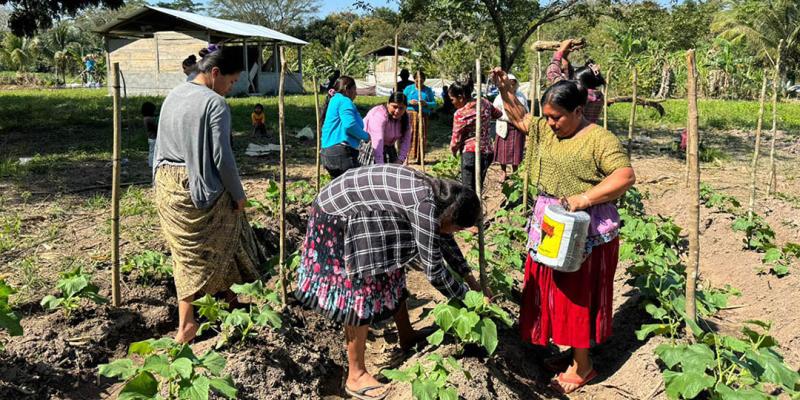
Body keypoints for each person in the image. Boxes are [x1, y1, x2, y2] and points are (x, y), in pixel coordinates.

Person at [492, 68, 636, 394]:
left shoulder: (599, 139)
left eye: (557, 117)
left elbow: (625, 176)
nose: (551, 123)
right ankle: (571, 353)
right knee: (551, 288)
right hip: (553, 222)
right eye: (547, 116)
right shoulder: (546, 130)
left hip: (585, 227)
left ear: (578, 111)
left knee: (575, 293)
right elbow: (521, 119)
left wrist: (584, 198)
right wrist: (504, 91)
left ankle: (583, 366)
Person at [294, 164, 489, 400]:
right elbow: (435, 271)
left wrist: (474, 284)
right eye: (459, 228)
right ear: (452, 217)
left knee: (392, 272)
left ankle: (406, 335)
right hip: (340, 215)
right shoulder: (424, 206)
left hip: (364, 211)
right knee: (360, 288)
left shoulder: (442, 199)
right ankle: (356, 376)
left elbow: (444, 239)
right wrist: (469, 300)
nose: (456, 233)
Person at [153, 44, 267, 344]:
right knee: (222, 241)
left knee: (187, 253)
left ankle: (227, 302)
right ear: (215, 73)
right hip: (197, 187)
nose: (230, 89)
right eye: (230, 82)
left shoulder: (174, 94)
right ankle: (187, 325)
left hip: (166, 186)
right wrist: (239, 195)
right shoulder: (215, 103)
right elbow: (222, 158)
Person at [448, 79, 502, 191]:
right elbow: (498, 114)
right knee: (478, 187)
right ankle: (478, 206)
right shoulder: (484, 102)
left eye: (452, 99)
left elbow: (456, 140)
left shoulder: (460, 114)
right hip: (487, 152)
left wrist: (453, 150)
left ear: (461, 97)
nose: (452, 103)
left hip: (471, 154)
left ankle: (471, 208)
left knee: (468, 190)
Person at [320, 76, 370, 178]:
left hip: (327, 153)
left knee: (338, 189)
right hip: (341, 153)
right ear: (347, 89)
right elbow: (350, 125)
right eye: (354, 90)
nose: (356, 93)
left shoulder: (334, 100)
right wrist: (366, 136)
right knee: (352, 188)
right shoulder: (344, 101)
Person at [492, 73, 529, 179]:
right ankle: (503, 172)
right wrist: (507, 117)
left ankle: (515, 172)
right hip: (504, 126)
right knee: (502, 152)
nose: (511, 86)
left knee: (516, 152)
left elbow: (526, 110)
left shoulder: (520, 96)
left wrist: (519, 118)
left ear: (515, 84)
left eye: (513, 84)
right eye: (509, 84)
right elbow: (495, 111)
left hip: (517, 127)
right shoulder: (499, 97)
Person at [363, 92, 412, 164]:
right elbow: (378, 140)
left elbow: (406, 140)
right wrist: (380, 164)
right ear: (388, 104)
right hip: (373, 148)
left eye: (401, 108)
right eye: (394, 107)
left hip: (390, 149)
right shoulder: (379, 114)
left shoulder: (405, 117)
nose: (397, 111)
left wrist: (401, 159)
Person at [403, 70, 437, 164]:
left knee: (421, 136)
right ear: (414, 80)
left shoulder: (427, 90)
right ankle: (406, 158)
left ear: (424, 80)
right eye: (417, 80)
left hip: (422, 116)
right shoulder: (408, 89)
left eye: (421, 81)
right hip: (410, 115)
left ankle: (420, 158)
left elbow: (434, 104)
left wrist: (426, 103)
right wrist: (409, 102)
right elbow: (402, 100)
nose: (419, 83)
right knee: (409, 135)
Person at [141, 101, 158, 168]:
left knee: (152, 151)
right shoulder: (149, 119)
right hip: (153, 138)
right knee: (153, 152)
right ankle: (151, 164)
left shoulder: (146, 118)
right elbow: (156, 127)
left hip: (151, 138)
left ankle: (151, 163)